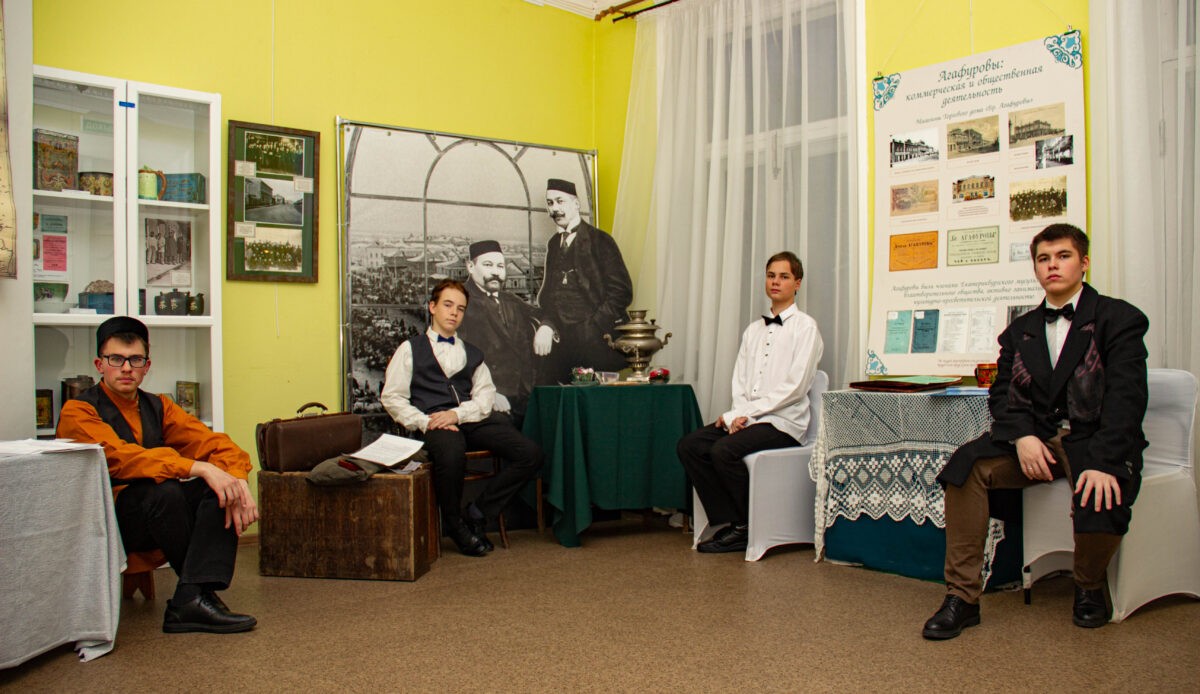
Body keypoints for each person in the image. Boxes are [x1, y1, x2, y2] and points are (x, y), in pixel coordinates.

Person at [922, 223, 1150, 639]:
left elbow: (1127, 399)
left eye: (1063, 256)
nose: (1052, 266)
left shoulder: (1119, 319)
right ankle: (962, 597)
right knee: (965, 467)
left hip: (1095, 439)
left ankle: (1089, 586)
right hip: (1037, 438)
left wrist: (1104, 461)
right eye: (1043, 259)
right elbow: (1002, 394)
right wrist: (1022, 436)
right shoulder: (1019, 330)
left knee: (1102, 488)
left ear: (1084, 262)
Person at [56, 316, 258, 634]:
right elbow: (120, 458)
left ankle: (190, 597)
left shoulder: (159, 406)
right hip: (109, 521)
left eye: (135, 360)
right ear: (99, 364)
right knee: (163, 490)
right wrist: (198, 467)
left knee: (218, 489)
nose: (126, 368)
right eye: (116, 359)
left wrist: (236, 479)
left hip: (161, 516)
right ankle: (194, 598)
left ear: (146, 366)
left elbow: (215, 444)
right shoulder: (79, 410)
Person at [381, 278, 544, 557]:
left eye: (460, 308)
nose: (454, 313)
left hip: (469, 419)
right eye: (448, 305)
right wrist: (425, 421)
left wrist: (456, 414)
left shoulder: (473, 353)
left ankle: (478, 513)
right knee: (450, 451)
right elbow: (392, 397)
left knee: (530, 453)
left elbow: (485, 398)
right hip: (432, 423)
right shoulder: (409, 349)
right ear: (432, 307)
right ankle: (455, 524)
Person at [676, 251, 824, 553]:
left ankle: (743, 527)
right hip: (751, 419)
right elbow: (740, 381)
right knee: (690, 445)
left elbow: (795, 388)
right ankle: (732, 520)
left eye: (784, 276)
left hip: (784, 423)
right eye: (771, 275)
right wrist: (737, 415)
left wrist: (746, 413)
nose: (775, 282)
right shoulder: (753, 330)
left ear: (797, 283)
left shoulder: (806, 328)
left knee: (723, 451)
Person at [534, 178, 633, 383]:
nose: (555, 208)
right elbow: (550, 295)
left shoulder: (601, 240)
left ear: (576, 204)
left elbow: (621, 292)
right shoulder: (554, 244)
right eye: (550, 203)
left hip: (598, 343)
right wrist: (547, 324)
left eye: (560, 201)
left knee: (597, 400)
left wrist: (593, 326)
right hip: (564, 347)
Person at [457, 240, 541, 424]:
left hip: (523, 396)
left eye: (500, 266)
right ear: (470, 266)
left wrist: (547, 327)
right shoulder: (460, 301)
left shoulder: (509, 299)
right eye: (488, 265)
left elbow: (541, 315)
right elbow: (456, 358)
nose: (495, 272)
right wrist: (489, 393)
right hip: (485, 401)